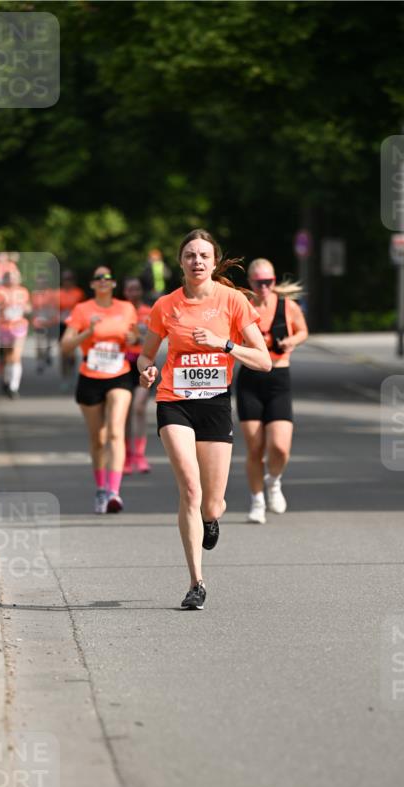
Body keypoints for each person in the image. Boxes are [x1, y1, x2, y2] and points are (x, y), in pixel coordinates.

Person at [138, 229, 271, 610]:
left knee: (211, 503)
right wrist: (146, 370)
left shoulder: (233, 301)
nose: (197, 261)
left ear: (214, 262)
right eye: (190, 255)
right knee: (190, 492)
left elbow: (263, 361)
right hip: (174, 401)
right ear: (179, 262)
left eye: (204, 256)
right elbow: (146, 357)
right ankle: (196, 581)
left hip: (214, 403)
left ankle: (211, 519)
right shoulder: (166, 305)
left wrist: (224, 344)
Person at [61, 266, 139, 514]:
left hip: (119, 375)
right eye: (98, 278)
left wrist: (132, 338)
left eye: (108, 278)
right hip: (90, 376)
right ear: (93, 284)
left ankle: (115, 492)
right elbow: (64, 347)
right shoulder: (82, 309)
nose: (103, 281)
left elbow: (136, 337)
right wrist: (89, 332)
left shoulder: (126, 308)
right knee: (98, 439)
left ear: (114, 283)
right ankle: (101, 489)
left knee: (116, 432)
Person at [237, 259, 309, 524]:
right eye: (259, 282)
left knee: (280, 447)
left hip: (279, 378)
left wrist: (292, 340)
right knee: (255, 447)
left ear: (274, 280)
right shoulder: (243, 307)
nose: (264, 287)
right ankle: (257, 501)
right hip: (250, 380)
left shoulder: (287, 306)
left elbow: (303, 331)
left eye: (269, 281)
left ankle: (274, 481)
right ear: (250, 283)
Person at [122, 277, 154, 474]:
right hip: (123, 364)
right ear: (125, 292)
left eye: (136, 289)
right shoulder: (119, 311)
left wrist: (139, 337)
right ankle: (125, 455)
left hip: (144, 362)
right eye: (130, 289)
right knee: (124, 412)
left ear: (141, 292)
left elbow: (156, 337)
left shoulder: (149, 313)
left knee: (139, 407)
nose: (133, 293)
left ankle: (139, 455)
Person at [0, 269, 31, 398]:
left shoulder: (23, 291)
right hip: (5, 326)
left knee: (16, 356)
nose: (13, 280)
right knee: (7, 357)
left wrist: (24, 308)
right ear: (5, 279)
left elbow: (29, 308)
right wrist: (3, 307)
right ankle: (7, 381)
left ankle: (14, 387)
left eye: (15, 277)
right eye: (10, 277)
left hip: (19, 326)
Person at [58, 270, 85, 390]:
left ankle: (73, 373)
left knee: (72, 353)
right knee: (63, 353)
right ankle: (65, 377)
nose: (67, 281)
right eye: (65, 279)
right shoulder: (58, 293)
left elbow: (82, 308)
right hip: (61, 325)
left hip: (74, 325)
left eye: (69, 279)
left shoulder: (78, 293)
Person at [31, 274, 59, 373]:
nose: (40, 284)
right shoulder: (34, 294)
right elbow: (33, 308)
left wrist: (52, 317)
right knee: (39, 343)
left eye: (42, 282)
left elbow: (55, 307)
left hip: (50, 321)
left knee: (48, 342)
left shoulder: (51, 293)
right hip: (38, 322)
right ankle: (40, 363)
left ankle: (48, 353)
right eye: (39, 282)